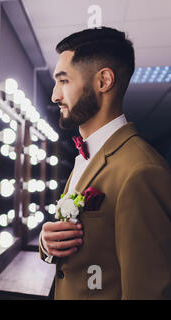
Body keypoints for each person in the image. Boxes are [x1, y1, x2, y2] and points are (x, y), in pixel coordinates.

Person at [39, 27, 171, 299]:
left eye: (63, 81)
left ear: (104, 81)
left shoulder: (142, 171)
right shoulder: (85, 156)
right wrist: (47, 243)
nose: (55, 95)